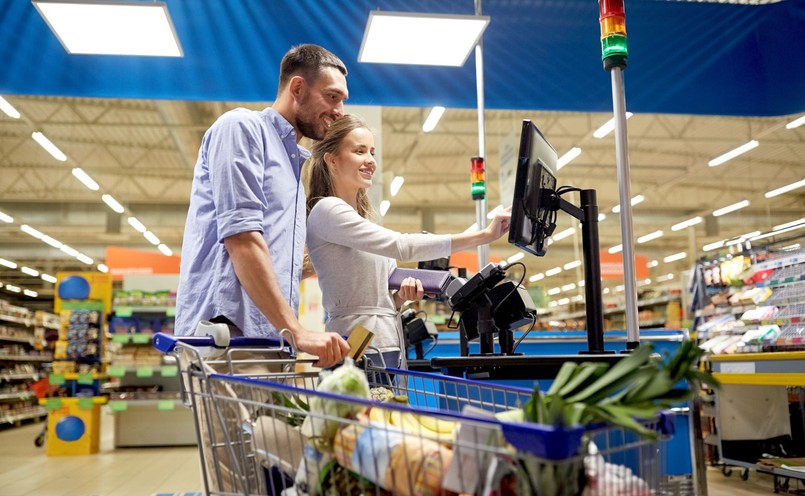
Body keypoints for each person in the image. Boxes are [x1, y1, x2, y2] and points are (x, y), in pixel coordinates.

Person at [176, 44, 350, 369]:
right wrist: (297, 332)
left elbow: (280, 265)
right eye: (332, 97)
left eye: (342, 100)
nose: (340, 110)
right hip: (227, 336)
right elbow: (242, 240)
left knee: (275, 423)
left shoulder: (294, 169)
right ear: (297, 88)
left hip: (270, 341)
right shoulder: (242, 128)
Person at [305, 114, 512, 370]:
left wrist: (400, 299)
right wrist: (484, 236)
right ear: (332, 160)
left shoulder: (358, 219)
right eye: (359, 151)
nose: (370, 160)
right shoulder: (328, 210)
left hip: (384, 345)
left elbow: (372, 300)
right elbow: (401, 246)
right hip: (355, 353)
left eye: (372, 152)